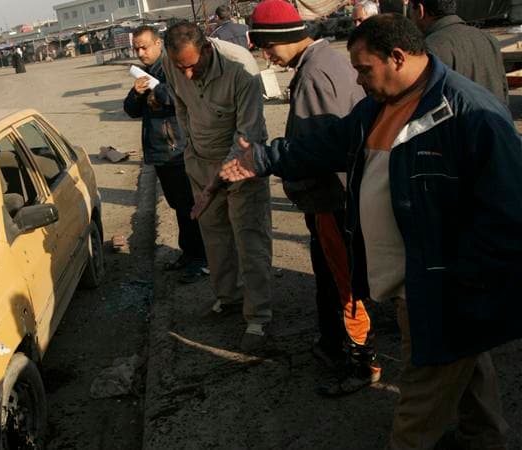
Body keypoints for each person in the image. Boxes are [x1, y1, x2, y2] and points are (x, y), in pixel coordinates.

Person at [222, 14, 520, 449]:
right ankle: (486, 438)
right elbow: (328, 142)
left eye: (364, 69)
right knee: (467, 367)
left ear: (397, 58)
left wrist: (466, 292)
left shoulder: (470, 114)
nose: (358, 80)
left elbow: (507, 215)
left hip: (440, 291)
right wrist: (264, 158)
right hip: (411, 284)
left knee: (416, 408)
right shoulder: (380, 105)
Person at [250, 0, 379, 396]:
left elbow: (319, 150)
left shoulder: (313, 76)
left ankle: (364, 362)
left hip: (332, 199)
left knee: (344, 283)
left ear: (284, 38)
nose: (266, 56)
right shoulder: (326, 60)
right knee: (334, 278)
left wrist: (269, 159)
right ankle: (334, 346)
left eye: (267, 47)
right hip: (344, 196)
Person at [162, 21, 273, 353]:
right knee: (215, 235)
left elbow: (247, 135)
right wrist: (192, 154)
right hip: (200, 160)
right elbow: (181, 108)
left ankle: (258, 318)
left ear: (207, 49)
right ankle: (228, 298)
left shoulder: (241, 68)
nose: (188, 75)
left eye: (193, 66)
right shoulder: (174, 63)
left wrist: (216, 181)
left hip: (241, 162)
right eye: (181, 67)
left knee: (249, 237)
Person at [124, 25, 208, 284]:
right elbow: (131, 111)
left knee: (189, 207)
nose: (140, 52)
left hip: (176, 150)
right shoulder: (146, 72)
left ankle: (202, 259)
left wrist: (155, 89)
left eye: (144, 46)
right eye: (136, 47)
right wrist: (137, 93)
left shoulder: (170, 67)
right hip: (160, 152)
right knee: (178, 207)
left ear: (158, 44)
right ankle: (189, 253)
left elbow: (181, 96)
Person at [410, 0, 508, 104]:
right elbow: (503, 90)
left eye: (410, 9)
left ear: (420, 11)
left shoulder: (430, 48)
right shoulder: (488, 39)